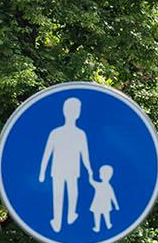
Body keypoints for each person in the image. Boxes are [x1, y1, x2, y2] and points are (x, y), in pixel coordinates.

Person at [38, 96, 92, 232]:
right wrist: (42, 172)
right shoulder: (70, 133)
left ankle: (65, 217)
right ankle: (63, 218)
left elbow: (84, 155)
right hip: (62, 170)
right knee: (66, 193)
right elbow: (47, 154)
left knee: (64, 193)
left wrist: (90, 170)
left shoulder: (71, 133)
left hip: (65, 170)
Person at [90, 164, 119, 234]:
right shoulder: (107, 186)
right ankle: (106, 225)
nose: (99, 174)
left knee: (101, 214)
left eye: (101, 173)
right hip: (103, 203)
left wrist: (90, 175)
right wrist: (116, 205)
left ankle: (104, 225)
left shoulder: (102, 185)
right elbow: (113, 196)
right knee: (104, 213)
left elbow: (112, 196)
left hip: (99, 203)